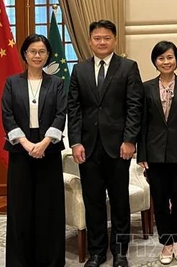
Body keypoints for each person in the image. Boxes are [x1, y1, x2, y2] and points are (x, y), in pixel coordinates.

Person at [68, 20, 143, 267]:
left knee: (120, 201)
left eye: (107, 38)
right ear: (90, 41)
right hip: (88, 148)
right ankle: (97, 252)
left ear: (115, 40)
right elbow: (74, 108)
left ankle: (120, 252)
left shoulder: (128, 67)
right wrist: (76, 142)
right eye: (97, 38)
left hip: (118, 147)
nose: (102, 42)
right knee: (94, 201)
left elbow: (135, 106)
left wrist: (130, 140)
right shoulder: (79, 70)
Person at [1, 34, 66, 267]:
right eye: (33, 51)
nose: (37, 56)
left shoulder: (57, 83)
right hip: (21, 150)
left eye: (42, 52)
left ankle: (51, 260)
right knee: (21, 207)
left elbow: (61, 114)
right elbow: (7, 116)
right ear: (25, 55)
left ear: (48, 55)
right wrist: (27, 144)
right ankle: (20, 261)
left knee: (49, 207)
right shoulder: (12, 83)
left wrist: (44, 143)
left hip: (48, 148)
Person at [137, 41, 177, 264]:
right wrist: (141, 154)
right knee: (160, 199)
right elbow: (142, 123)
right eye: (161, 58)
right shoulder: (145, 88)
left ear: (176, 60)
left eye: (170, 57)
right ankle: (166, 243)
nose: (166, 62)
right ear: (155, 61)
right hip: (153, 154)